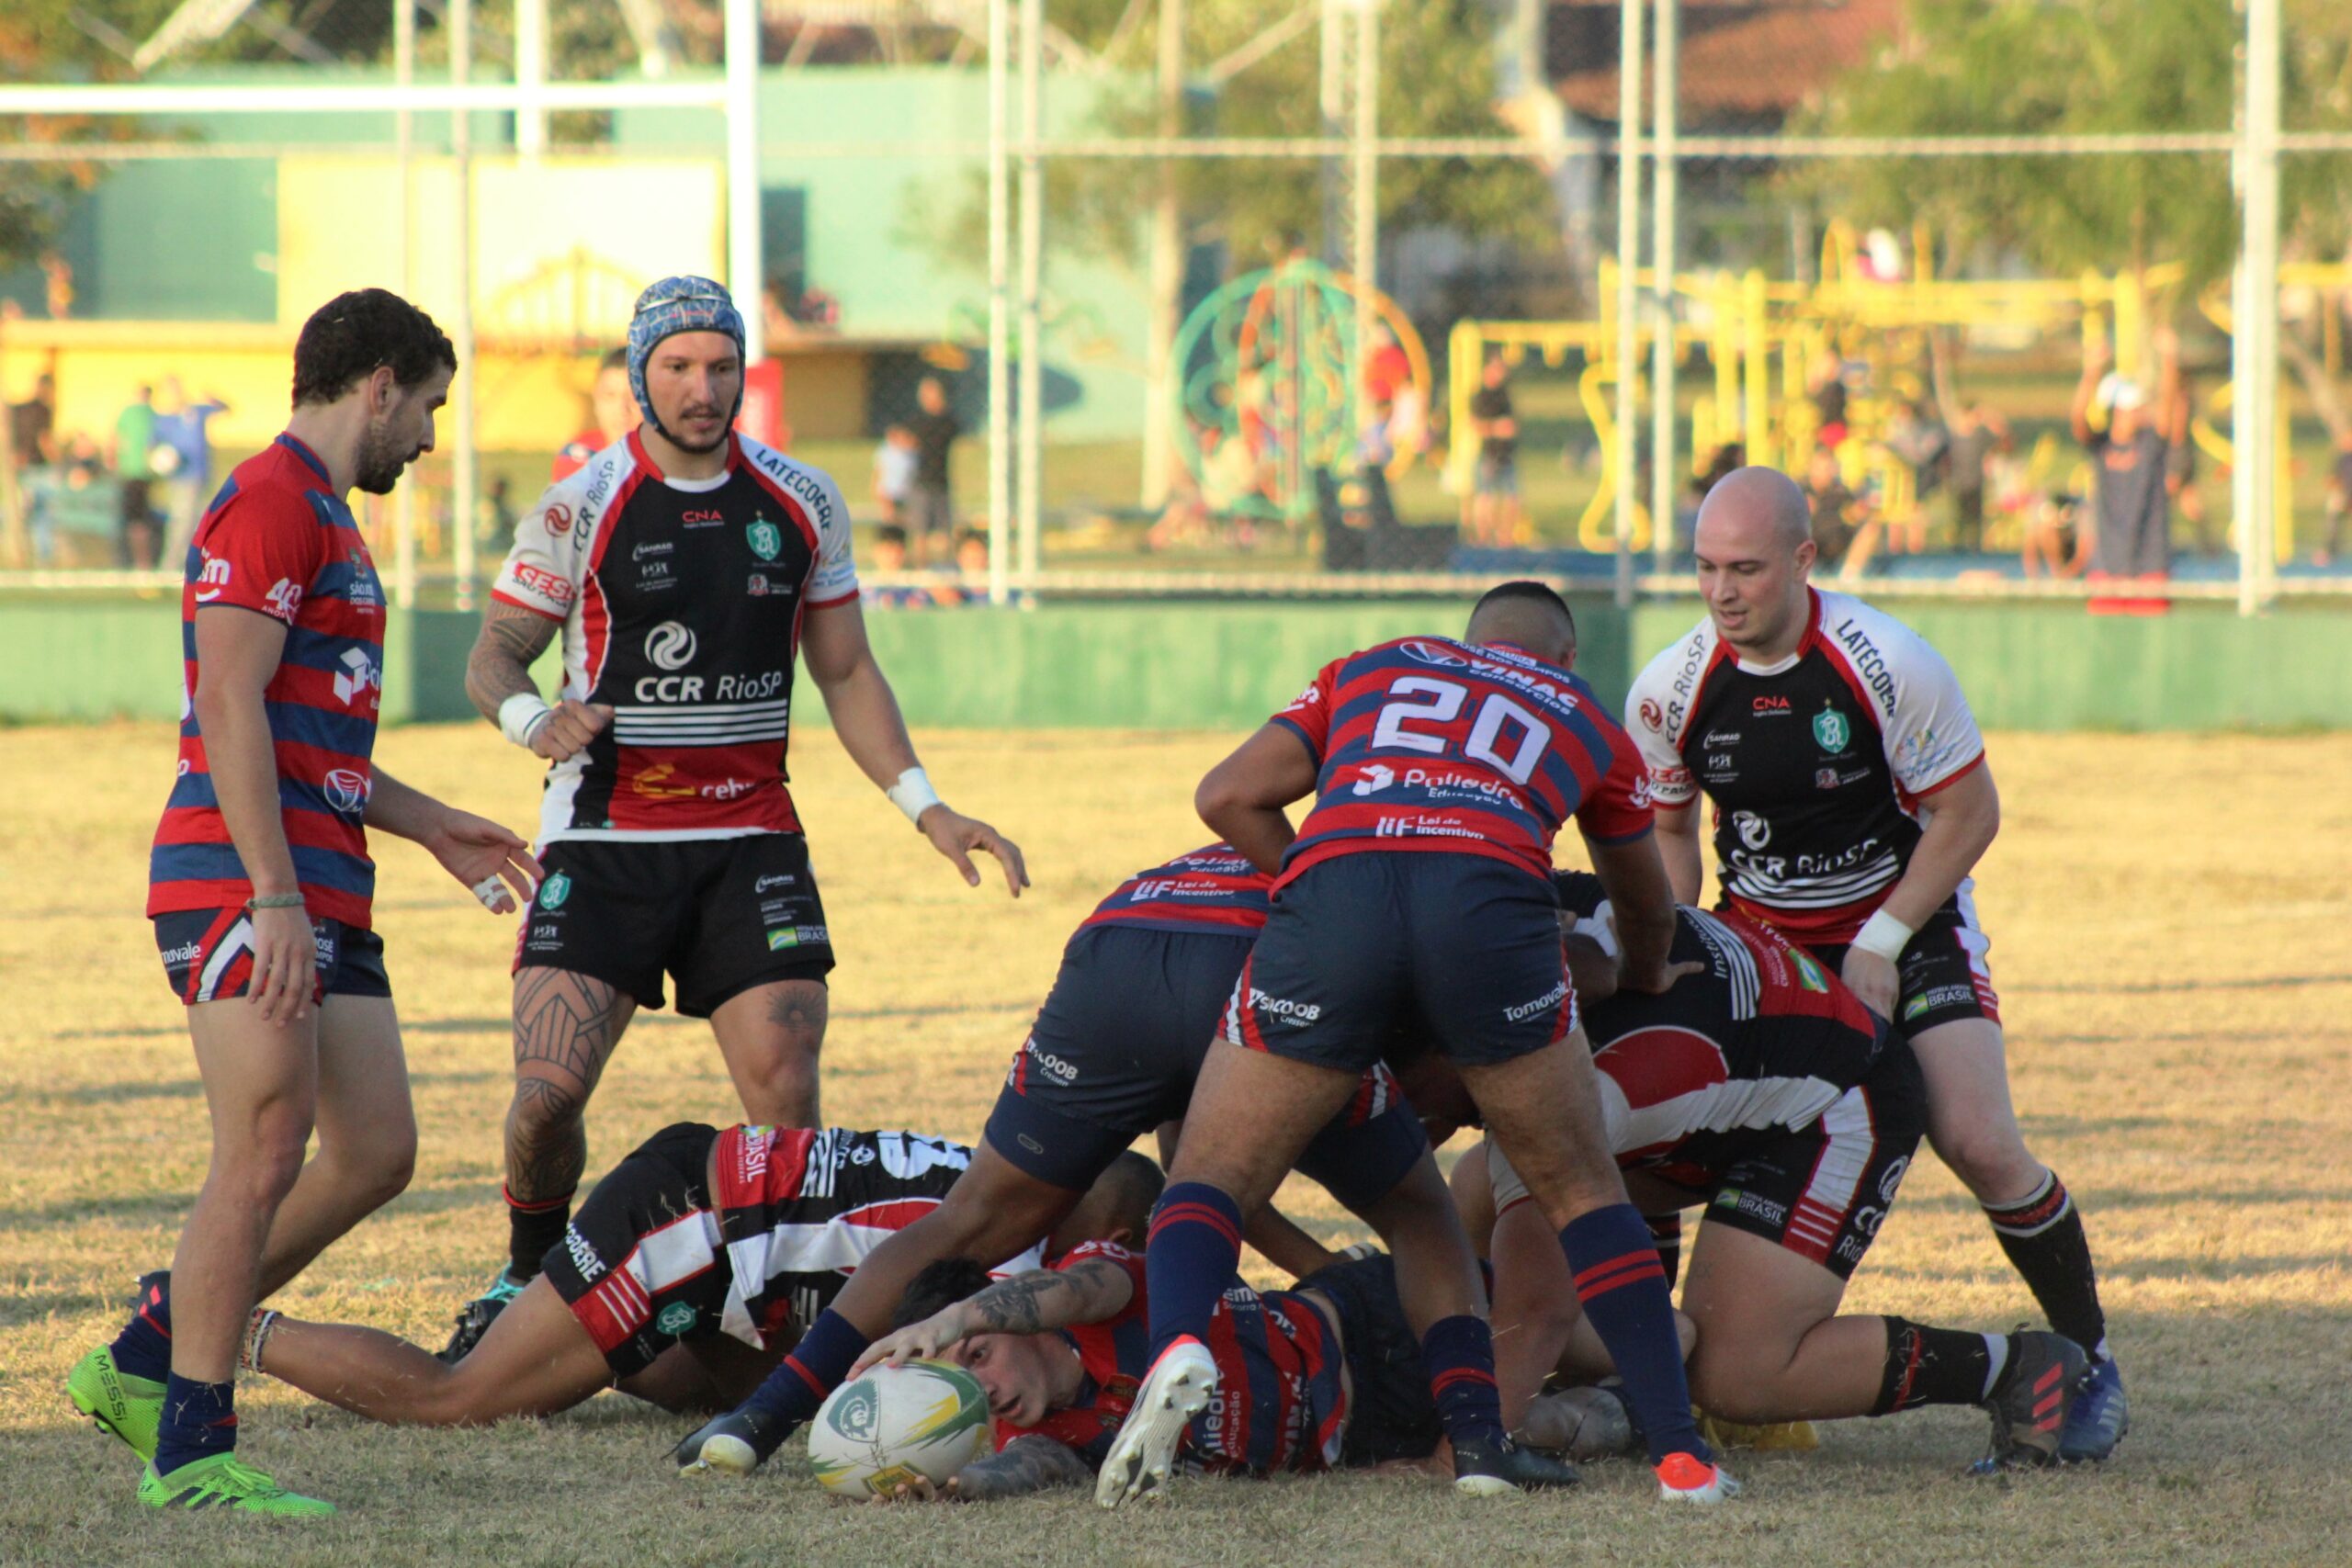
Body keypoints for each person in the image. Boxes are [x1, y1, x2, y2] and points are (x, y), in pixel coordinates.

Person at [453, 276, 1029, 1361]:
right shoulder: (582, 504)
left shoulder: (802, 501)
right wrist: (532, 719)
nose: (702, 387)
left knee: (786, 1097)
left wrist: (928, 807)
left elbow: (848, 671)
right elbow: (491, 654)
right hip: (607, 840)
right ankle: (525, 1265)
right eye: (677, 367)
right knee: (543, 1100)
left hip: (749, 842)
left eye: (720, 366)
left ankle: (787, 1308)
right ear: (641, 375)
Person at [1096, 582, 1736, 1509]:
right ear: (1559, 658)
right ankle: (1681, 1459)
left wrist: (1315, 884)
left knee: (1211, 1176)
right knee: (1582, 1192)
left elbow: (1225, 794)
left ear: (1467, 636)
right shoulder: (1579, 712)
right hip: (1487, 917)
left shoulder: (1374, 665)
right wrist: (1640, 971)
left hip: (1336, 907)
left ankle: (1179, 1346)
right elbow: (1643, 898)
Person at [62, 289, 541, 1517]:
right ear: (378, 383)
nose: (432, 436)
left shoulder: (326, 516)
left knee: (375, 1147)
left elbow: (303, 733)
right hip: (244, 883)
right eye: (430, 404)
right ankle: (192, 1441)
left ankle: (140, 1354)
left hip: (320, 878)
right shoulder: (272, 500)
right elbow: (228, 704)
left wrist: (431, 820)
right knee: (265, 1148)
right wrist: (271, 893)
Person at [1622, 466, 2127, 1464]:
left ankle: (2088, 1362)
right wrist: (1677, 951)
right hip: (1762, 940)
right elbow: (1670, 829)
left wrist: (1884, 940)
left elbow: (1968, 813)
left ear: (1805, 560)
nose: (1723, 593)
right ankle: (1664, 1388)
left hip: (1907, 919)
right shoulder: (1670, 689)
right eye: (1705, 569)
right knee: (1649, 1138)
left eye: (1747, 570)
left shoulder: (1885, 660)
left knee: (1977, 1139)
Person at [669, 844, 1459, 1480]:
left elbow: (1196, 1160)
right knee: (1426, 1216)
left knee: (969, 1218)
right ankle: (1481, 1440)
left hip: (1116, 946)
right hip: (1260, 959)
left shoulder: (1325, 842)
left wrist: (1325, 1275)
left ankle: (761, 1417)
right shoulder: (1411, 893)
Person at [1403, 871, 2093, 1471]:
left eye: (1409, 1092)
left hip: (1840, 1097)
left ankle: (2019, 1365)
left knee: (1737, 1373)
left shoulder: (1564, 1084)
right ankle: (1651, 1357)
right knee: (1476, 1191)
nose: (1411, 1119)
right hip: (1739, 1068)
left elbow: (1536, 1308)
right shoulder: (1516, 920)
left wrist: (1458, 1449)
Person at [242, 1121, 1157, 1428]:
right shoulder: (1004, 1248)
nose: (1119, 1260)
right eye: (1125, 1241)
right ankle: (221, 1327)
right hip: (686, 1220)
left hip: (720, 1242)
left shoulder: (1001, 1195)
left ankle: (555, 1319)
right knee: (461, 1400)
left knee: (712, 1391)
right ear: (1102, 1221)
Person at [855, 1243, 1500, 1501]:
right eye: (968, 1384)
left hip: (1364, 1319)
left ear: (1011, 1313)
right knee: (1564, 1423)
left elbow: (1078, 1290)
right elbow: (1030, 1468)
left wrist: (951, 1320)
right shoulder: (1034, 1433)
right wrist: (956, 1487)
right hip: (1365, 1440)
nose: (987, 1387)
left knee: (1554, 1326)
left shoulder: (1096, 1293)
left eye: (979, 1353)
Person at [2069, 329, 2182, 608]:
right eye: (2131, 407)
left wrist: (2169, 360)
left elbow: (2168, 406)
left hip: (2149, 564)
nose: (2139, 411)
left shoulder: (2150, 443)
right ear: (2116, 411)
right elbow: (2078, 422)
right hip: (2108, 565)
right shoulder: (2101, 445)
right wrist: (2091, 373)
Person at [153, 376, 232, 569]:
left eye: (177, 390)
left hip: (202, 476)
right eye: (170, 391)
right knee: (182, 523)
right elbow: (154, 450)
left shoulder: (195, 411)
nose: (175, 395)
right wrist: (166, 461)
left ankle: (197, 568)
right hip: (182, 478)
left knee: (203, 522)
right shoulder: (163, 420)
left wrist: (214, 398)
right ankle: (171, 568)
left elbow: (227, 409)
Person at [551, 346, 635, 482]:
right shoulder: (579, 454)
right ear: (596, 399)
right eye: (609, 396)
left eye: (633, 397)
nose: (622, 409)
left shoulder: (674, 462)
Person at [904, 376, 960, 567]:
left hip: (941, 481)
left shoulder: (948, 420)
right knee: (920, 532)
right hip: (921, 482)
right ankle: (921, 571)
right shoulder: (917, 420)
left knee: (945, 532)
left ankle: (946, 570)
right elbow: (905, 440)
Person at [1465, 356, 1521, 547]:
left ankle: (1506, 537)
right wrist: (1498, 428)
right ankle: (1483, 536)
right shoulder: (1481, 396)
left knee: (1512, 496)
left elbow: (1513, 422)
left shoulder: (1504, 394)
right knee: (1485, 496)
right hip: (1489, 453)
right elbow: (1476, 425)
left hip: (1506, 453)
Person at [1802, 445, 1878, 579]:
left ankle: (1849, 575)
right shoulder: (1800, 489)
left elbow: (1855, 513)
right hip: (1812, 543)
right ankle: (1804, 573)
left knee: (1871, 528)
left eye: (1829, 468)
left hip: (1836, 542)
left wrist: (1858, 513)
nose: (1826, 472)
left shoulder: (1841, 492)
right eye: (1821, 468)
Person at [110, 382, 160, 568]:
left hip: (135, 474)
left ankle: (140, 563)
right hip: (140, 474)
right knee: (136, 520)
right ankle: (138, 562)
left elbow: (117, 440)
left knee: (136, 521)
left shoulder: (141, 414)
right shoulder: (150, 414)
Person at [871, 423, 917, 525]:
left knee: (905, 521)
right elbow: (878, 471)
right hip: (889, 491)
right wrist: (876, 489)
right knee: (890, 520)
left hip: (906, 492)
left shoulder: (911, 453)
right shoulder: (885, 452)